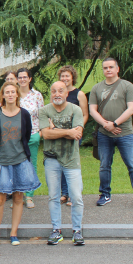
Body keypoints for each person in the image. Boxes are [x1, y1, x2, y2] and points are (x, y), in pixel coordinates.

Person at [0, 82, 41, 246]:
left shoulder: (24, 114)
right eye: (7, 92)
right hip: (2, 160)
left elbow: (26, 133)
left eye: (13, 92)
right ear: (2, 95)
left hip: (20, 160)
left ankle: (13, 233)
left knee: (18, 197)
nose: (10, 95)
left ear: (17, 95)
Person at [89, 57, 133, 209]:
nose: (108, 70)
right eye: (105, 68)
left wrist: (114, 124)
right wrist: (106, 125)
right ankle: (105, 194)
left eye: (111, 67)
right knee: (104, 166)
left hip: (125, 133)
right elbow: (92, 110)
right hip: (104, 134)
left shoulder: (127, 86)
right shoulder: (97, 88)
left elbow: (131, 109)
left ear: (117, 69)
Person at [40, 81, 85, 246]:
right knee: (53, 196)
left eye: (60, 91)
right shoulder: (44, 110)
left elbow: (77, 134)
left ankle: (77, 231)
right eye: (53, 91)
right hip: (51, 159)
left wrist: (55, 130)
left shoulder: (76, 109)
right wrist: (67, 131)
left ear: (67, 93)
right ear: (50, 94)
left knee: (76, 196)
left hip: (71, 159)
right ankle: (56, 230)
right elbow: (45, 135)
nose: (57, 94)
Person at [58, 65, 89, 206]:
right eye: (62, 76)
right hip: (61, 134)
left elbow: (85, 114)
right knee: (61, 164)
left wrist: (78, 129)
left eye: (67, 76)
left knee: (72, 164)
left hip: (75, 133)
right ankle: (64, 193)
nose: (64, 78)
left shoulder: (79, 94)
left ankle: (73, 194)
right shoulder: (58, 93)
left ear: (72, 78)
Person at [17, 68, 44, 209]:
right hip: (16, 136)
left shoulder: (37, 95)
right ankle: (19, 196)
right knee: (17, 165)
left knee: (31, 165)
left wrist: (39, 133)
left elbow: (42, 114)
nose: (22, 80)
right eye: (20, 77)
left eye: (24, 77)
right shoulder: (14, 95)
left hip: (33, 134)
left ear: (30, 79)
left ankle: (29, 196)